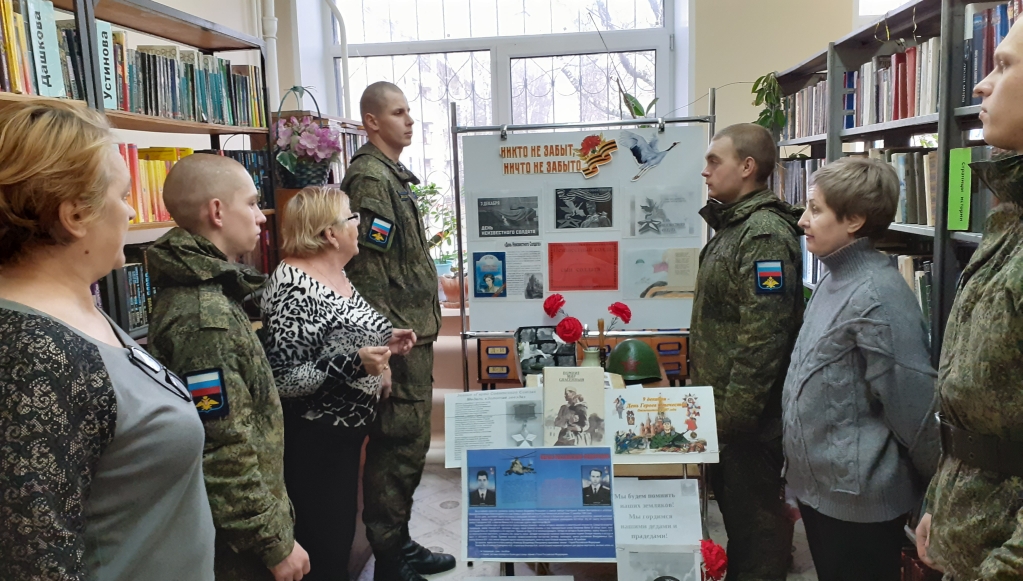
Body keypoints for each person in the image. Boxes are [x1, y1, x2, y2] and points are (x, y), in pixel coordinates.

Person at [0, 101, 215, 579]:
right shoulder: (35, 356)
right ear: (76, 215)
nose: (132, 210)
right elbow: (37, 558)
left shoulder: (79, 310)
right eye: (122, 195)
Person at [146, 154, 310, 581]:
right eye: (252, 203)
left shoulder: (209, 292)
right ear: (217, 212)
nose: (261, 216)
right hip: (237, 547)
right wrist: (273, 543)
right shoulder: (206, 318)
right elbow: (222, 448)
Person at [782, 158, 940, 581]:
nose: (802, 221)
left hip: (859, 504)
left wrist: (938, 495)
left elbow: (915, 409)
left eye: (816, 209)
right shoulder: (833, 277)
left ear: (854, 220)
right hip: (822, 492)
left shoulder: (878, 296)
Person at [260, 186, 415, 581]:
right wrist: (355, 364)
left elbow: (344, 330)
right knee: (324, 551)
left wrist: (386, 339)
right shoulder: (293, 285)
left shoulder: (336, 272)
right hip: (316, 443)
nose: (359, 225)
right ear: (330, 233)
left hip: (345, 440)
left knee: (339, 541)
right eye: (352, 217)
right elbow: (282, 377)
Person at [916, 19, 1023, 580]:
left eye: (1004, 65)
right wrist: (940, 500)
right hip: (971, 537)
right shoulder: (1010, 218)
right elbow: (973, 407)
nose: (981, 84)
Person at [339, 81, 452, 581]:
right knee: (397, 446)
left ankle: (399, 541)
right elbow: (368, 272)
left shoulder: (390, 175)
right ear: (372, 121)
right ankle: (389, 556)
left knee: (409, 445)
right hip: (398, 341)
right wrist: (383, 343)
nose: (409, 121)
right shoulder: (369, 179)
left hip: (411, 336)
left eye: (409, 112)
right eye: (398, 112)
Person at [690, 123, 804, 580]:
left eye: (714, 161)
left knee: (758, 543)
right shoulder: (737, 226)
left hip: (749, 429)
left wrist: (731, 423)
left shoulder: (763, 237)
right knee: (743, 532)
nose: (705, 171)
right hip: (728, 422)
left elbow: (763, 338)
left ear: (747, 167)